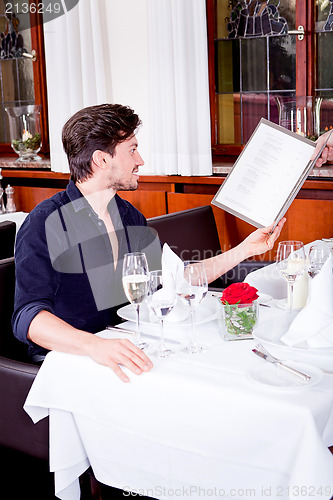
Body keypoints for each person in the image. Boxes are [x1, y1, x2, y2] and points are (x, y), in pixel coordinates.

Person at [12, 103, 285, 383]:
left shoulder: (129, 216)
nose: (140, 160)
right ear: (101, 160)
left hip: (125, 347)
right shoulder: (46, 222)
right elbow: (29, 318)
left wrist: (245, 250)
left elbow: (169, 280)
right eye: (131, 149)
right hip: (71, 361)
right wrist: (94, 346)